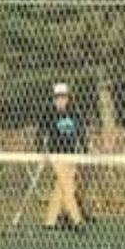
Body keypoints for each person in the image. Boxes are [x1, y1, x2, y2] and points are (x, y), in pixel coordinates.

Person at [37, 83, 85, 230]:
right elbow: (39, 134)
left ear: (68, 98)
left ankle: (50, 221)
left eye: (64, 96)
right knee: (68, 186)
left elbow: (81, 133)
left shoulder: (74, 113)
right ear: (54, 98)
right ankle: (77, 220)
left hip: (71, 155)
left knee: (60, 187)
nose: (61, 100)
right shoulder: (49, 114)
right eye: (58, 97)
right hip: (56, 154)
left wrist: (84, 149)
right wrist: (41, 150)